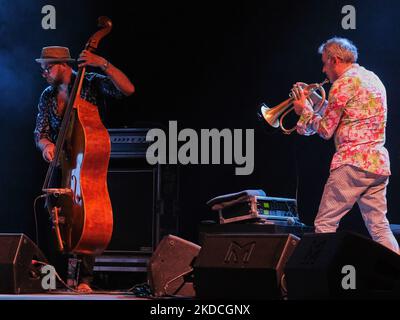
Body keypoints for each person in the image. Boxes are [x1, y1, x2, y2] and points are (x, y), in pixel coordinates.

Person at [34, 46, 135, 292]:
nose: (44, 73)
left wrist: (103, 63)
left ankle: (85, 279)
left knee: (86, 215)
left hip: (87, 161)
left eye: (48, 68)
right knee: (58, 216)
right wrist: (46, 146)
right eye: (43, 69)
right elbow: (41, 132)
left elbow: (128, 89)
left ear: (63, 65)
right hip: (65, 163)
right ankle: (57, 277)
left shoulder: (90, 83)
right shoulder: (48, 96)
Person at [291, 37, 399, 254]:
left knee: (324, 224)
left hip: (352, 163)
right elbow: (347, 116)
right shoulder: (372, 78)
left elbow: (325, 131)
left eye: (324, 63)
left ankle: (317, 282)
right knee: (379, 228)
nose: (323, 70)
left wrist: (304, 111)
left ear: (335, 59)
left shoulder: (343, 84)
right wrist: (315, 104)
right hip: (377, 164)